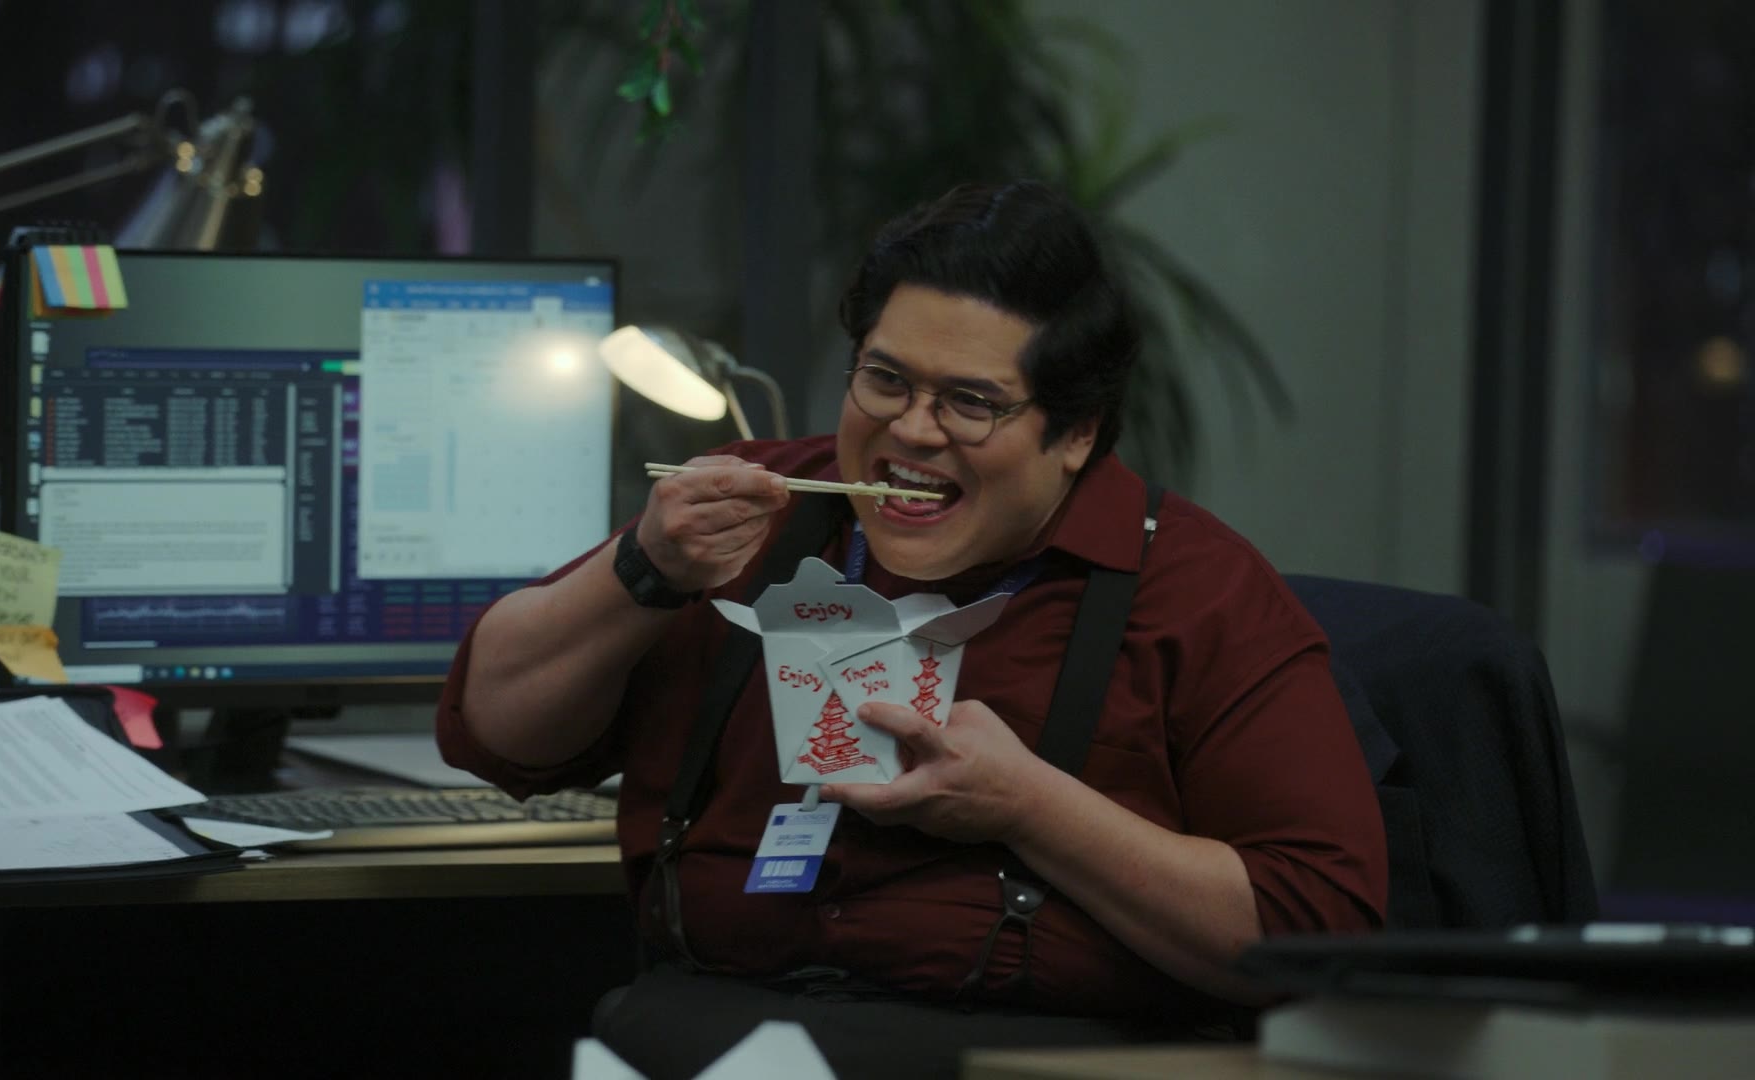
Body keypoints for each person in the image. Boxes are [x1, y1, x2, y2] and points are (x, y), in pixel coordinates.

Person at [435, 180, 1387, 1078]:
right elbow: (494, 731)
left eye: (971, 403)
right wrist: (644, 571)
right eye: (885, 380)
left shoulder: (1195, 591)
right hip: (701, 1033)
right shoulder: (752, 513)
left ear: (1076, 433)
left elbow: (1318, 932)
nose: (914, 431)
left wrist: (1032, 808)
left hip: (1014, 1064)